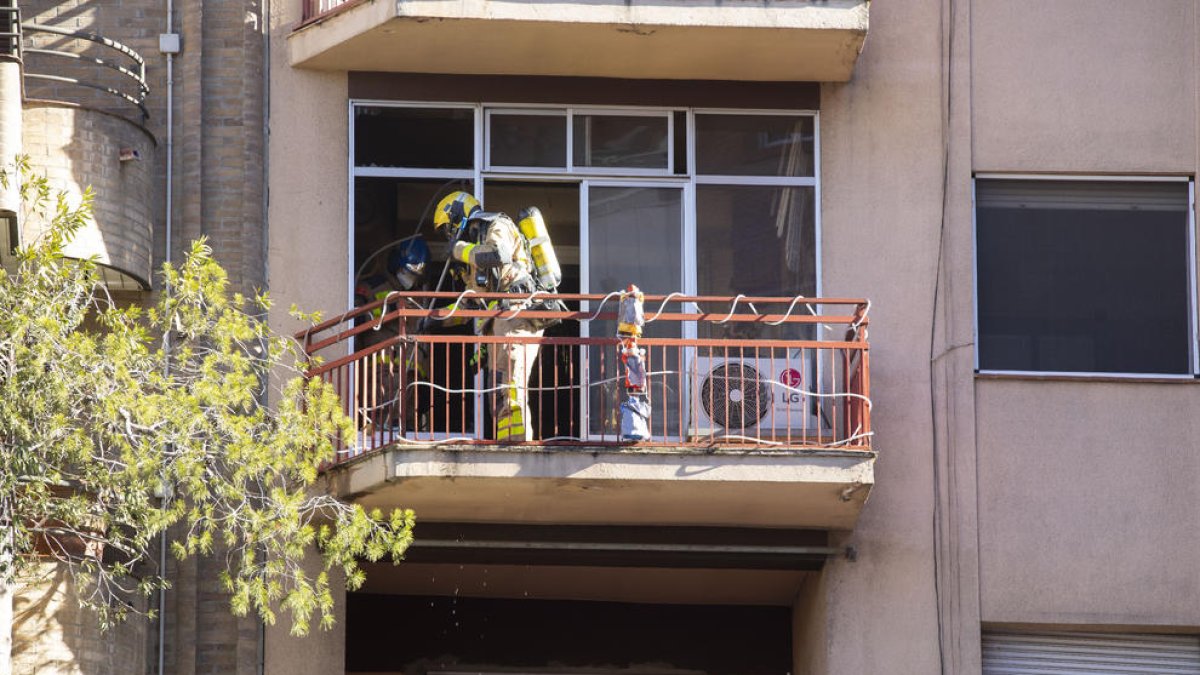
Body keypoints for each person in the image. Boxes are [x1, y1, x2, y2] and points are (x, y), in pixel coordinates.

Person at [432, 191, 550, 442]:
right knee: (497, 392)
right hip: (498, 324)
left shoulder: (497, 224)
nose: (449, 235)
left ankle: (519, 446)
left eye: (448, 227)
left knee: (511, 384)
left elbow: (498, 255)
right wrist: (435, 319)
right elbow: (470, 303)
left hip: (516, 315)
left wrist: (459, 250)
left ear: (458, 213)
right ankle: (505, 441)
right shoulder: (474, 251)